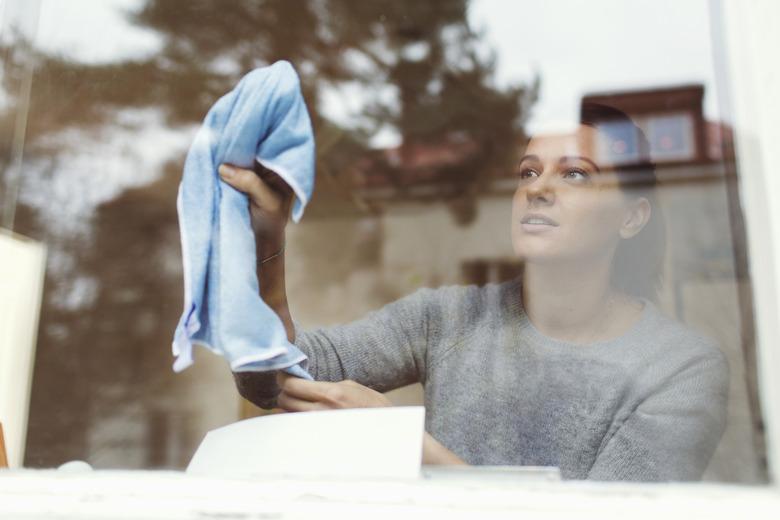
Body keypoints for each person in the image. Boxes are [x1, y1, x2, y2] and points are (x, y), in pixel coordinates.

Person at [218, 103, 729, 481]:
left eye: (575, 173)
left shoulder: (680, 370)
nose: (537, 188)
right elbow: (275, 378)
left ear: (632, 217)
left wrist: (398, 443)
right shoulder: (446, 318)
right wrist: (268, 241)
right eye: (528, 171)